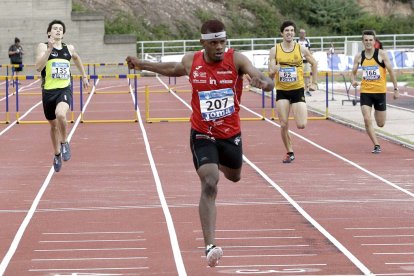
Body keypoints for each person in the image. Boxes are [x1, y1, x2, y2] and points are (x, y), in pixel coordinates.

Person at [126, 19, 274, 267]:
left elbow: (260, 76)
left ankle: (222, 164)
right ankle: (210, 246)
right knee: (209, 182)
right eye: (213, 42)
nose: (218, 47)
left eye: (222, 42)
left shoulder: (236, 60)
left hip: (230, 134)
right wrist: (142, 64)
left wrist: (265, 83)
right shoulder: (191, 61)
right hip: (202, 133)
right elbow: (172, 68)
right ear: (202, 43)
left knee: (234, 176)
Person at [35, 20, 89, 172]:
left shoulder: (69, 48)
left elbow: (77, 59)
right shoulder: (43, 46)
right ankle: (57, 153)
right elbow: (38, 67)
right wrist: (49, 50)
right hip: (48, 92)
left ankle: (64, 142)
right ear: (49, 33)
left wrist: (84, 75)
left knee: (61, 114)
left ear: (63, 34)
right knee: (53, 126)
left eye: (60, 29)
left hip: (64, 89)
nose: (58, 31)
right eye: (55, 29)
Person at [268, 20, 318, 163]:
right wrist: (274, 71)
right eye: (286, 31)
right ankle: (290, 152)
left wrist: (314, 82)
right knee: (283, 124)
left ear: (294, 33)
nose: (289, 33)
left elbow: (314, 63)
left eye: (291, 31)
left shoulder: (300, 49)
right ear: (282, 33)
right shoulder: (274, 50)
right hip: (282, 91)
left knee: (301, 125)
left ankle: (300, 110)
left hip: (297, 89)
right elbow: (270, 73)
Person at [351, 30, 399, 154]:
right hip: (366, 92)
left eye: (370, 40)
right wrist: (353, 81)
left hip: (380, 92)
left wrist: (395, 89)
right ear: (363, 41)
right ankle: (376, 145)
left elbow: (391, 72)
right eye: (366, 40)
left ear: (374, 41)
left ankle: (376, 123)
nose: (368, 42)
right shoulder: (359, 56)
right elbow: (353, 72)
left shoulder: (382, 54)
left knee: (381, 123)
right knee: (367, 119)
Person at [296, 29, 312, 96]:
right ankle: (299, 90)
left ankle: (307, 90)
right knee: (299, 75)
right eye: (301, 33)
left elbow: (309, 50)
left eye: (304, 33)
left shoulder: (307, 41)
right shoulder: (296, 41)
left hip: (307, 61)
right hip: (299, 61)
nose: (303, 34)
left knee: (307, 75)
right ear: (299, 34)